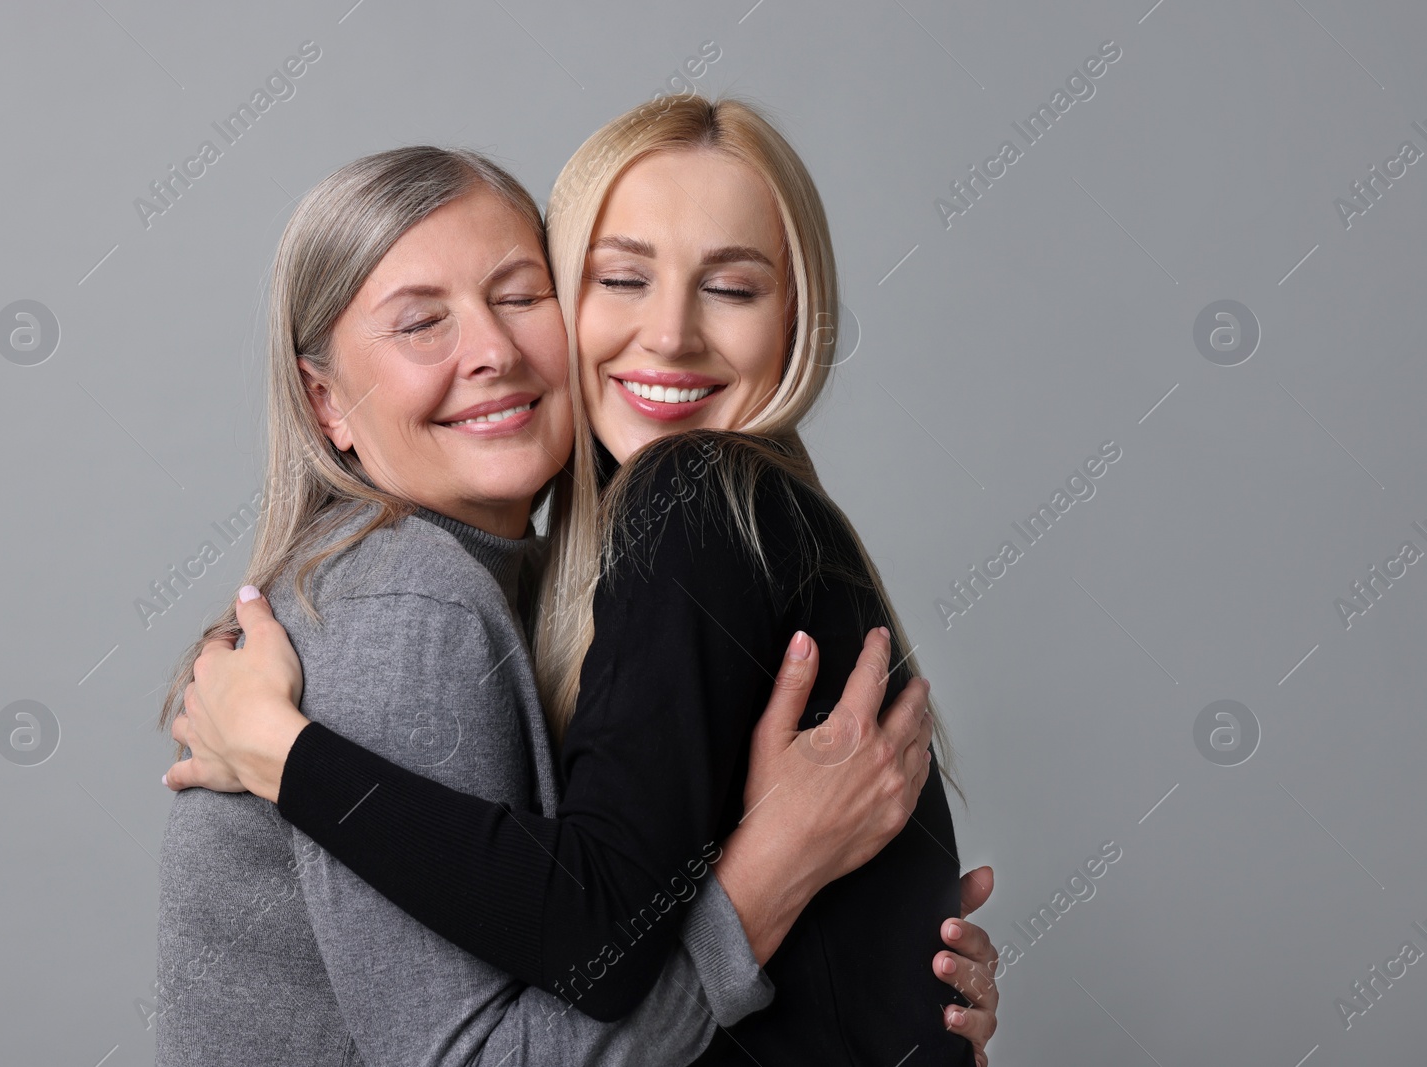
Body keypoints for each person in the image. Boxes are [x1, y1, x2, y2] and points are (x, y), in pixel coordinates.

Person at [170, 97, 1001, 1065]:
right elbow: (580, 943)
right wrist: (781, 880)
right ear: (325, 401)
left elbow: (592, 920)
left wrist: (279, 750)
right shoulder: (421, 600)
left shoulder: (694, 501)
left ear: (798, 320)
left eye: (518, 296)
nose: (670, 334)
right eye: (620, 278)